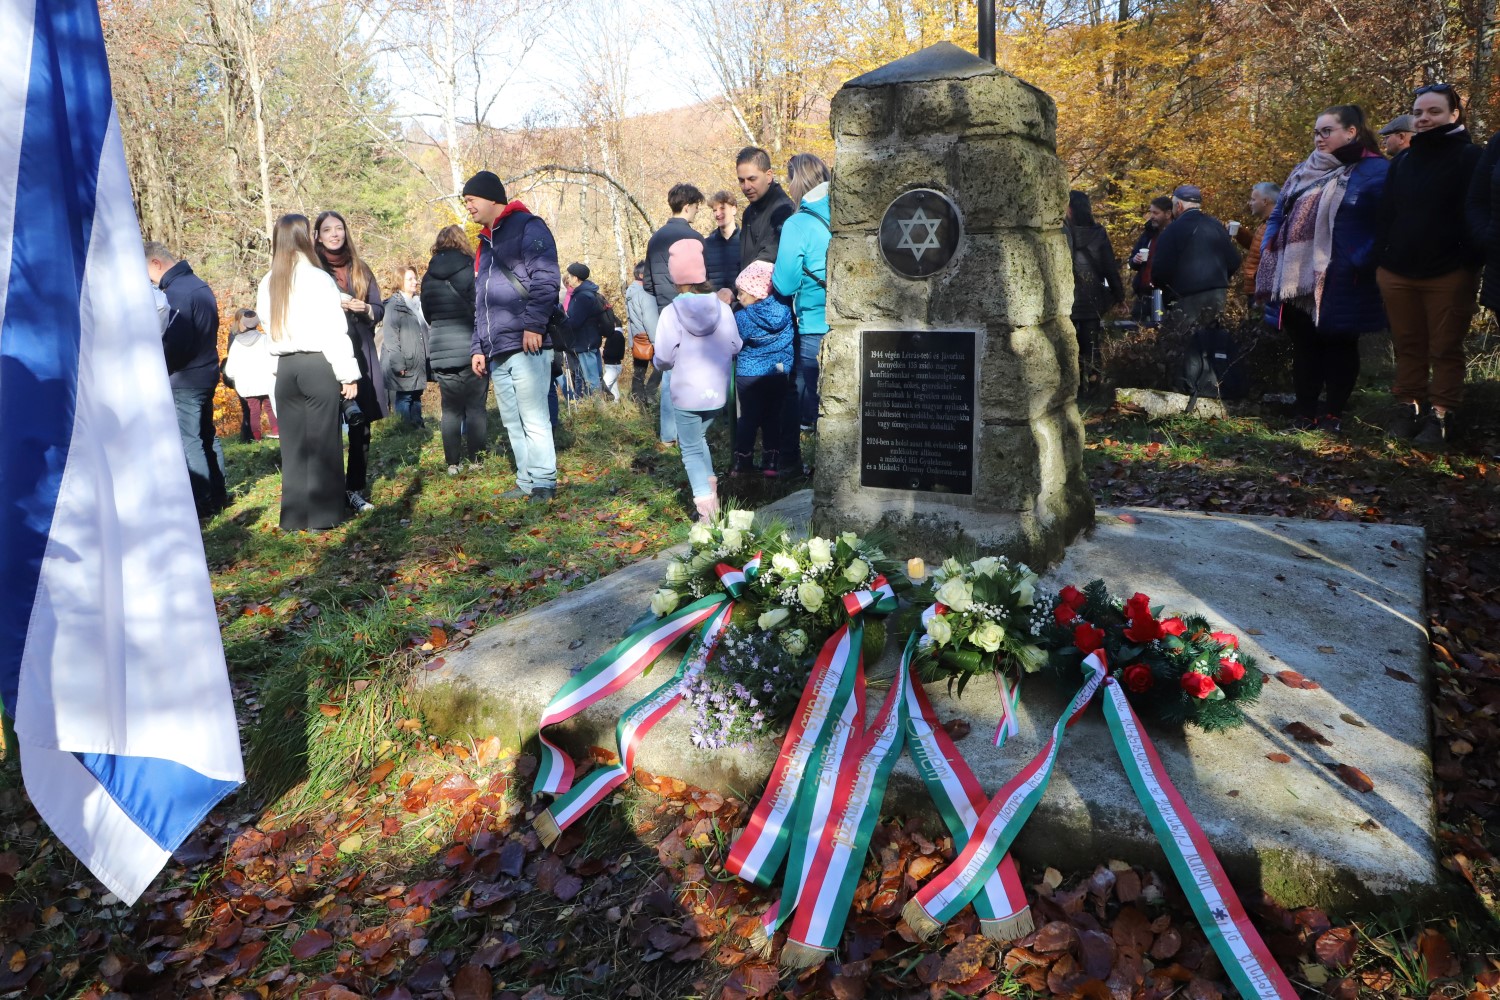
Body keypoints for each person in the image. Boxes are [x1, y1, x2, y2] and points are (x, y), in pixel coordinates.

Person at [1257, 105, 1390, 433]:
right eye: (1316, 132)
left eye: (1326, 131)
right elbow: (1279, 213)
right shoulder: (1304, 169)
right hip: (1297, 275)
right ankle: (1305, 415)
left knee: (1339, 345)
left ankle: (1333, 415)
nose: (1319, 138)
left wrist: (1360, 257)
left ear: (1351, 132)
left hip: (1344, 276)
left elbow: (1387, 223)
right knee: (1305, 346)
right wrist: (1269, 247)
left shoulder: (1375, 171)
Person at [1377, 83, 1483, 446]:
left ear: (1454, 115)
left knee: (1446, 346)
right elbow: (1387, 212)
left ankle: (1440, 416)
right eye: (1419, 112)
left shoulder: (1472, 157)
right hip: (1397, 270)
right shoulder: (1404, 160)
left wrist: (1468, 258)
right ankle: (1408, 407)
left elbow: (1479, 212)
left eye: (1433, 111)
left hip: (1450, 271)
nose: (1423, 118)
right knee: (1407, 343)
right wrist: (1382, 258)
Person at [256, 214, 361, 531]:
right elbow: (333, 330)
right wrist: (348, 374)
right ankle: (323, 516)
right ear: (305, 237)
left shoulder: (268, 282)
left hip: (285, 370)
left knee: (293, 445)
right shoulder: (318, 279)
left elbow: (266, 332)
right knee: (323, 441)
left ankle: (294, 516)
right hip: (317, 364)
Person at [464, 169, 561, 502]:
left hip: (526, 342)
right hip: (496, 349)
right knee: (511, 420)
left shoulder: (528, 226)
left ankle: (545, 483)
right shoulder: (484, 244)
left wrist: (534, 325)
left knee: (534, 417)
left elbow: (546, 278)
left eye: (471, 200)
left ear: (492, 197)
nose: (468, 208)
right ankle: (526, 481)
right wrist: (478, 346)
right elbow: (481, 300)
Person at [653, 239, 742, 520]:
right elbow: (735, 345)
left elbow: (664, 357)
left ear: (676, 277)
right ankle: (712, 501)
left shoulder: (671, 313)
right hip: (716, 393)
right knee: (699, 439)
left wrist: (666, 362)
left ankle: (707, 516)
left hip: (686, 394)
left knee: (690, 448)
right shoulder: (722, 308)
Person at [144, 241, 227, 518]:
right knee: (207, 436)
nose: (150, 281)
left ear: (156, 263)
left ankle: (203, 504)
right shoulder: (199, 285)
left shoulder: (177, 292)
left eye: (148, 273)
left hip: (186, 378)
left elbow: (177, 341)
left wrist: (157, 368)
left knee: (190, 440)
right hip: (206, 372)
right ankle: (218, 494)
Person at [313, 210, 386, 513]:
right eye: (327, 229)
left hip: (362, 350)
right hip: (324, 354)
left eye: (339, 228)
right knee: (326, 425)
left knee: (361, 426)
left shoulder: (360, 267)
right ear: (317, 235)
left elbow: (380, 309)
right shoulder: (312, 270)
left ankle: (354, 488)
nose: (334, 234)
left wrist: (364, 307)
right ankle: (328, 493)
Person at [771, 153, 831, 474]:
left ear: (796, 180)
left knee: (822, 406)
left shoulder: (798, 223)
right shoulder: (845, 212)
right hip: (850, 321)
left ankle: (824, 476)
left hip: (813, 325)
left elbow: (785, 282)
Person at [643, 184, 705, 444]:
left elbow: (647, 284)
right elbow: (704, 280)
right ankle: (693, 431)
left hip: (665, 313)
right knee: (695, 375)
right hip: (692, 315)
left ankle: (669, 434)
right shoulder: (695, 239)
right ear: (688, 205)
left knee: (669, 377)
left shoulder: (656, 238)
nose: (697, 212)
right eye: (697, 207)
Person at [422, 225, 486, 476]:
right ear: (462, 242)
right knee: (475, 407)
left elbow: (427, 314)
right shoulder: (471, 269)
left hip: (440, 349)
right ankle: (477, 460)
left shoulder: (428, 277)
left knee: (450, 409)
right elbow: (479, 308)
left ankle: (452, 464)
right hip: (470, 346)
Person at [1150, 185, 1241, 331]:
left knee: (1189, 344)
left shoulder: (1172, 231)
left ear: (1178, 206)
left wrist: (1168, 293)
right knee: (1212, 342)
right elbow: (1234, 260)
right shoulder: (1216, 225)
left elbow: (1160, 270)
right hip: (1217, 295)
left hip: (1186, 297)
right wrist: (1219, 280)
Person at [731, 261, 793, 476]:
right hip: (778, 372)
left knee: (748, 418)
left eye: (742, 293)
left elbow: (734, 342)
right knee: (772, 417)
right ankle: (771, 463)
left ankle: (742, 462)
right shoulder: (785, 311)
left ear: (757, 292)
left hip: (749, 374)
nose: (738, 297)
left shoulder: (742, 317)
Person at [1065, 190, 1125, 396]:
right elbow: (1109, 267)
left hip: (1068, 298)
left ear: (1070, 208)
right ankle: (1093, 387)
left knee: (1068, 346)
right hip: (1092, 298)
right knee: (1091, 346)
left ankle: (1071, 389)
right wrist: (1119, 296)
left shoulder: (1062, 233)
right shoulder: (1098, 233)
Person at [383, 265, 429, 428]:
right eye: (409, 279)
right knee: (405, 397)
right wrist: (398, 363)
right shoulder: (393, 305)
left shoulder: (419, 304)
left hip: (417, 360)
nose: (415, 282)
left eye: (415, 278)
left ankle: (417, 427)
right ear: (399, 282)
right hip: (403, 360)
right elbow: (390, 337)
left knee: (416, 394)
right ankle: (405, 430)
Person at [223, 309, 279, 442]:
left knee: (254, 411)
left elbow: (230, 370)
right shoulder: (265, 339)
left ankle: (256, 437)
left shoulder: (236, 343)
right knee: (270, 407)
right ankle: (277, 431)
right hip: (266, 381)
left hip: (247, 385)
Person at [738, 147, 796, 269]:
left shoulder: (785, 210)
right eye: (741, 181)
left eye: (752, 179)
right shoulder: (748, 213)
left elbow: (769, 257)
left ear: (769, 176)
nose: (746, 186)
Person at [560, 262, 607, 398]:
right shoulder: (589, 293)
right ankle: (599, 409)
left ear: (575, 278)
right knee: (596, 378)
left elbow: (574, 322)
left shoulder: (582, 297)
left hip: (585, 343)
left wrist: (563, 320)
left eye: (569, 275)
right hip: (591, 341)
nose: (567, 278)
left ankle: (599, 412)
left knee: (592, 380)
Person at [1127, 196, 1172, 324]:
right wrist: (1135, 260)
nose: (1151, 216)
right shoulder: (1148, 234)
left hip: (1166, 296)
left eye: (1156, 213)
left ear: (1168, 214)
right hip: (1143, 294)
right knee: (1136, 330)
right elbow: (1132, 260)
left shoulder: (1176, 235)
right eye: (1151, 212)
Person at [1234, 182, 1280, 305]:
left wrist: (1257, 278)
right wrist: (1240, 233)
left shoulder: (1276, 226)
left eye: (1253, 199)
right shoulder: (1266, 224)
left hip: (1261, 293)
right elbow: (1257, 249)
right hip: (1256, 290)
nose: (1250, 203)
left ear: (1265, 201)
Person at [626, 261, 661, 403]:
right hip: (648, 337)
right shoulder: (644, 294)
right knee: (663, 367)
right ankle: (650, 394)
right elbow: (650, 320)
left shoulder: (631, 291)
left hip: (637, 338)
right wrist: (656, 342)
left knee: (639, 371)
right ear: (642, 275)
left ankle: (637, 399)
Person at [704, 191, 742, 295]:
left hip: (741, 306)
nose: (717, 214)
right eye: (714, 210)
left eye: (722, 208)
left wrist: (733, 293)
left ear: (734, 210)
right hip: (714, 306)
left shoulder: (747, 241)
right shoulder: (706, 244)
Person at [601, 310, 626, 402]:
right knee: (613, 390)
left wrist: (604, 353)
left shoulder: (616, 335)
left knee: (603, 386)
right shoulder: (617, 335)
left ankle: (604, 407)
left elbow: (616, 353)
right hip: (613, 365)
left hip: (613, 366)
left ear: (614, 324)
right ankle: (617, 406)